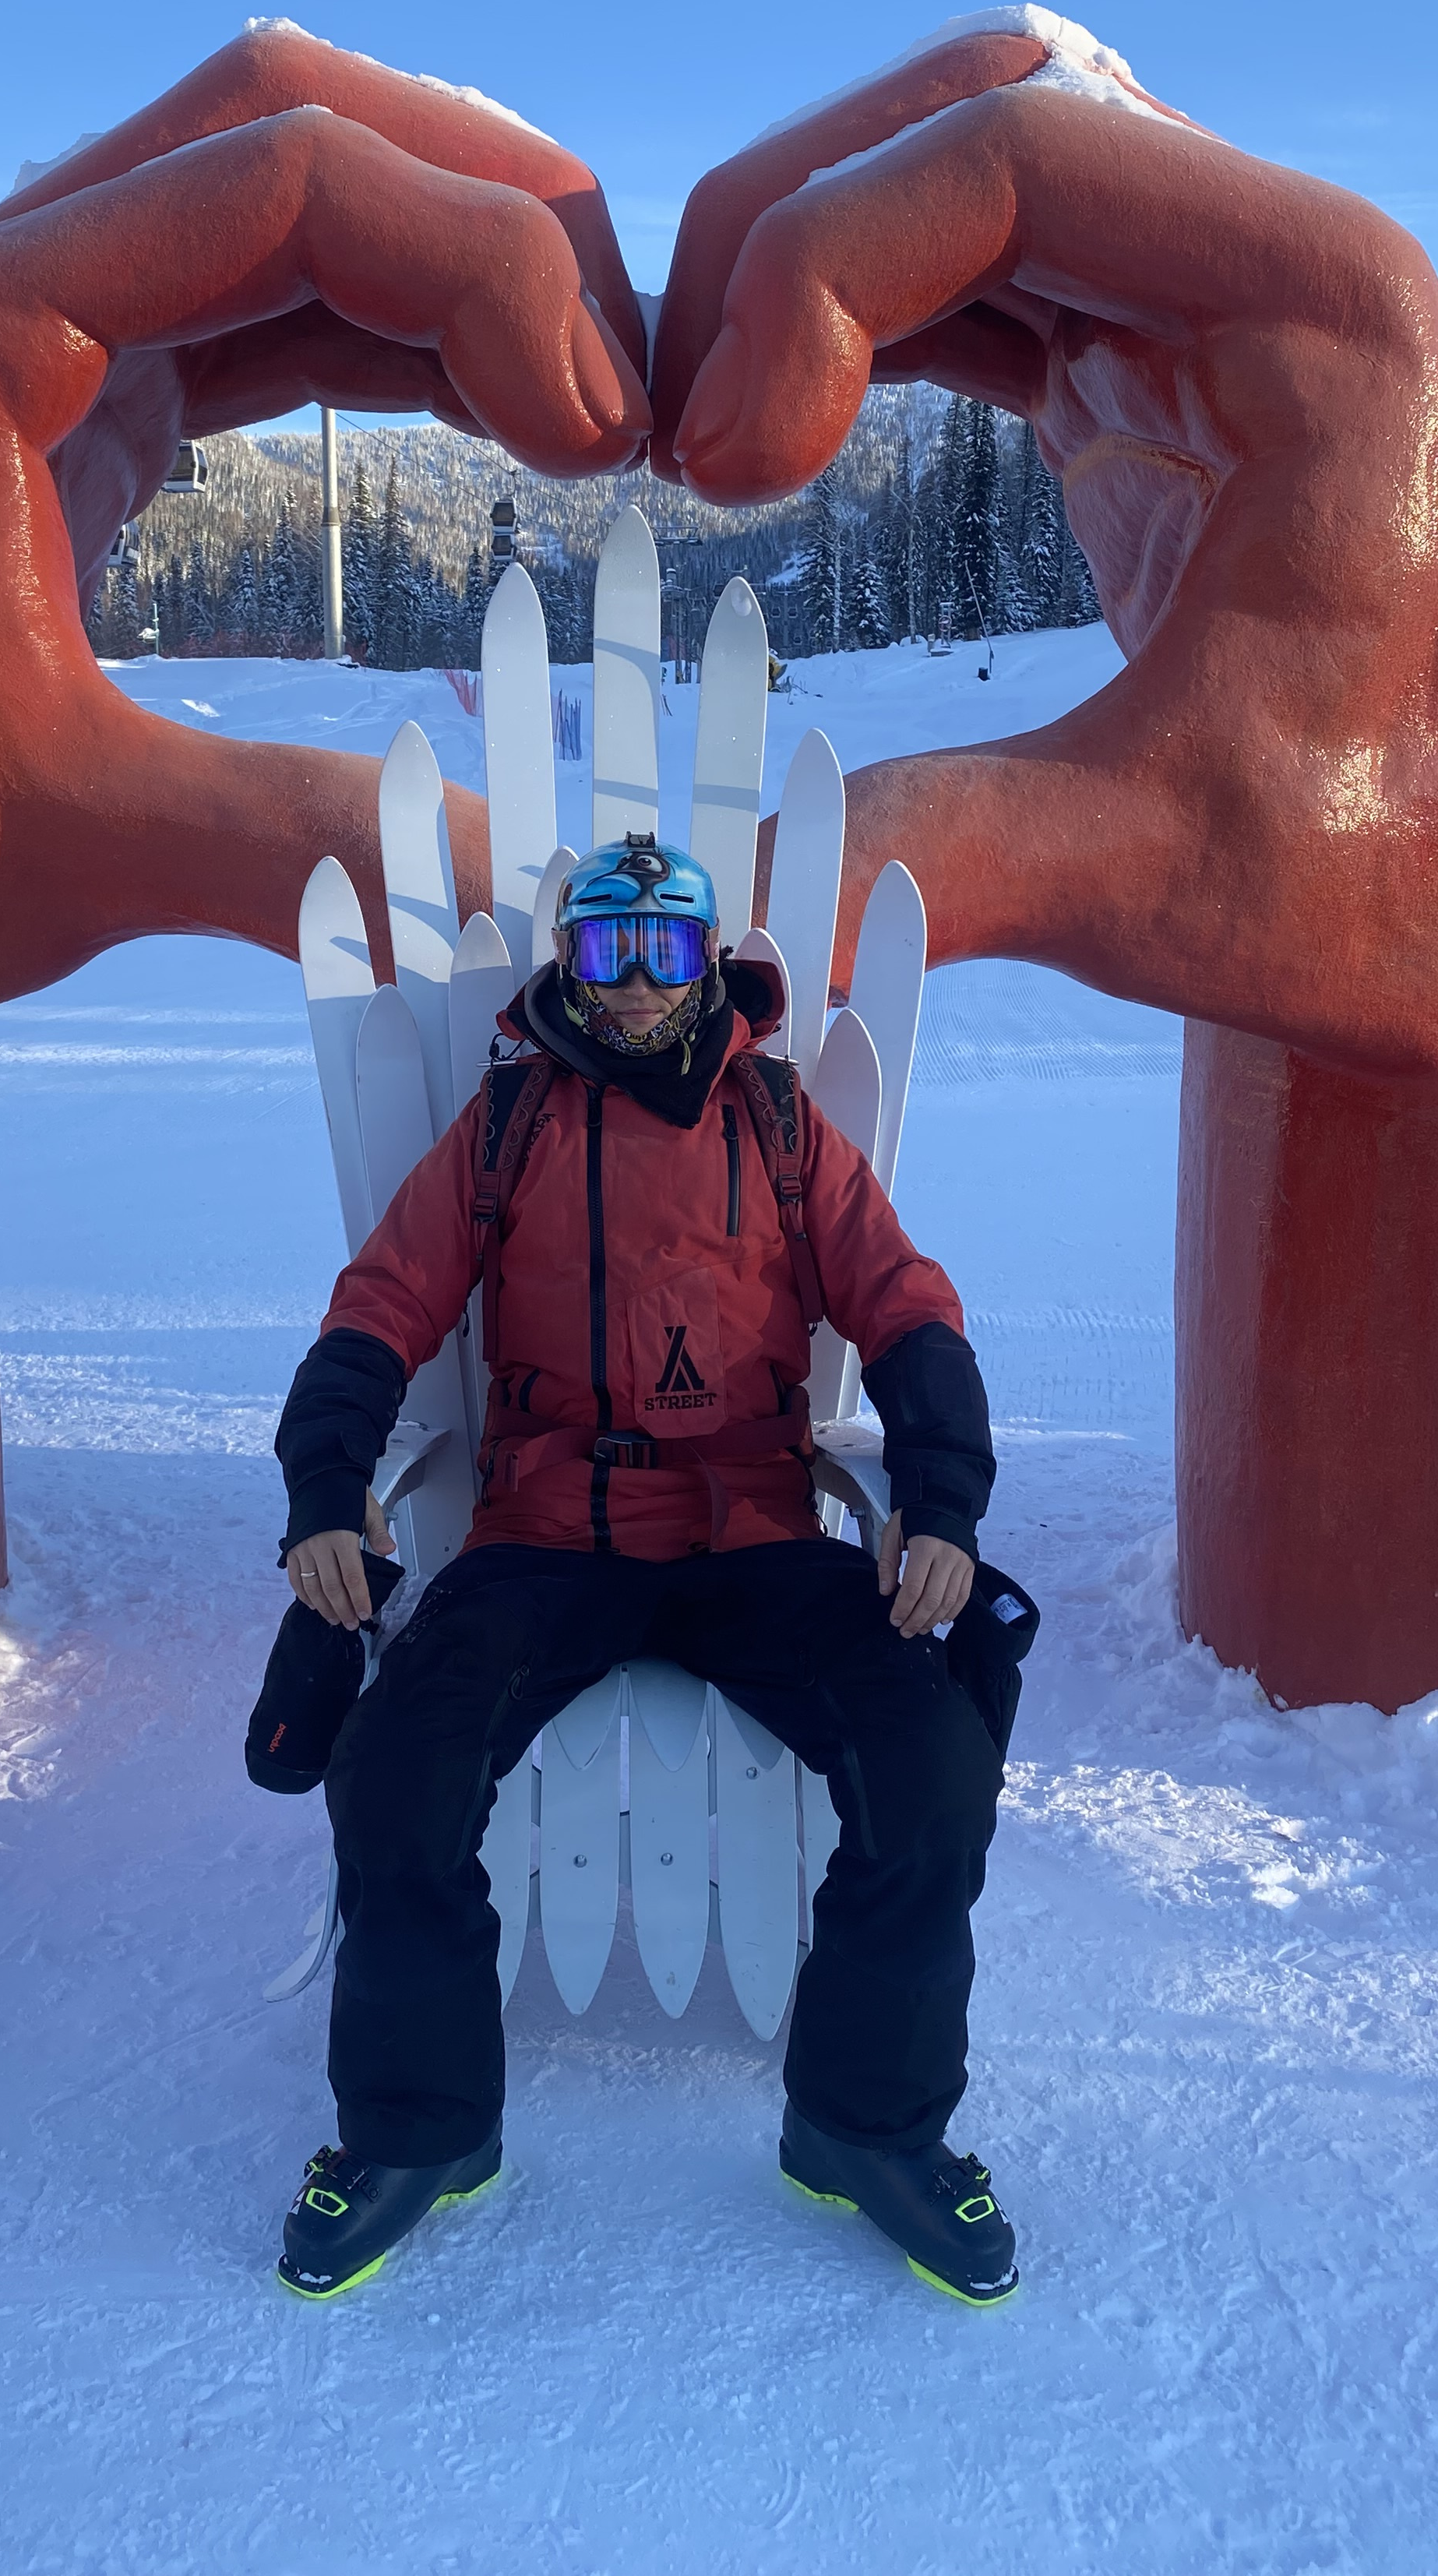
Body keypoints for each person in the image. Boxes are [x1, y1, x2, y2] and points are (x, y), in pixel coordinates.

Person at [268, 833, 1016, 2303]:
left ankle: (863, 2126)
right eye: (603, 954)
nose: (629, 991)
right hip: (550, 1532)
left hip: (752, 1532)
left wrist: (938, 1504)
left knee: (933, 1765)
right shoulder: (507, 1127)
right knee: (398, 1766)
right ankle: (423, 2130)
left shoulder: (782, 1126)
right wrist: (325, 1486)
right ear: (568, 965)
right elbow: (383, 1302)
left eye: (662, 954)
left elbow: (908, 1304)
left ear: (706, 968)